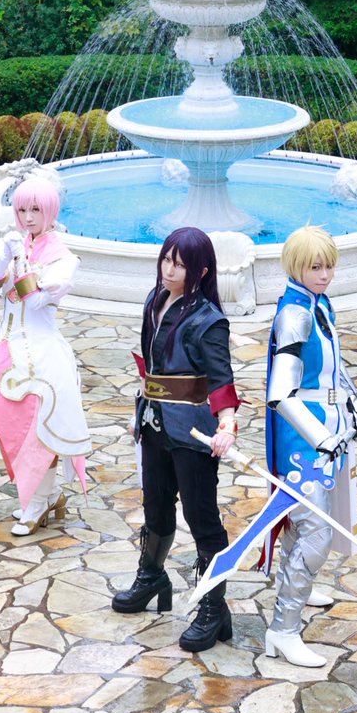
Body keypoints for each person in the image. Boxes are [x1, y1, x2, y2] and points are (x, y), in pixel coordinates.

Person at [111, 227, 240, 653]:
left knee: (202, 519)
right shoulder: (155, 300)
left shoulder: (209, 320)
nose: (169, 270)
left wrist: (227, 425)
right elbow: (151, 364)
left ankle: (213, 607)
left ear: (200, 271)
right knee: (156, 506)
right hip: (154, 422)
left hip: (193, 431)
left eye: (180, 265)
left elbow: (221, 379)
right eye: (166, 259)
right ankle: (152, 577)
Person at [0, 174, 90, 535]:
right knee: (3, 420)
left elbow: (34, 301)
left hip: (42, 353)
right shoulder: (12, 243)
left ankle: (38, 501)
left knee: (40, 426)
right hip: (3, 350)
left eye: (36, 209)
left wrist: (21, 261)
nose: (28, 217)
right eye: (21, 210)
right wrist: (4, 257)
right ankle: (44, 495)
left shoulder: (63, 258)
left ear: (51, 211)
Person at [264, 225, 357, 668]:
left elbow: (333, 369)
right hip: (304, 441)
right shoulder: (296, 314)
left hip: (326, 429)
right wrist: (320, 438)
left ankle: (295, 588)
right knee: (316, 530)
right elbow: (280, 392)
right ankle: (283, 629)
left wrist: (352, 406)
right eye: (316, 267)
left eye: (329, 266)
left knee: (304, 524)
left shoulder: (317, 305)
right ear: (297, 267)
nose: (325, 275)